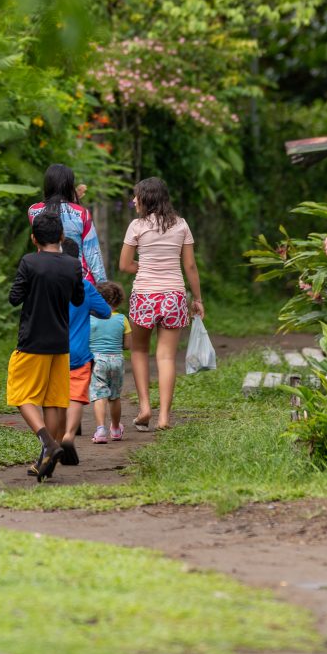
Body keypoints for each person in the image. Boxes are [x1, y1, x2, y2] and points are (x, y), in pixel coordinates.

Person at [119, 177, 204, 431]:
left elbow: (124, 265)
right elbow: (189, 266)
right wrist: (197, 299)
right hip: (174, 296)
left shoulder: (137, 226)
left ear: (147, 198)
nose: (134, 200)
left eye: (137, 196)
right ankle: (164, 417)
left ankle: (145, 408)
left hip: (144, 295)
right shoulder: (181, 225)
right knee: (166, 356)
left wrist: (144, 268)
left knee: (139, 351)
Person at [6, 210, 84, 482]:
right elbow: (77, 299)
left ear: (33, 239)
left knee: (20, 394)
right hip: (60, 344)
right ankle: (45, 459)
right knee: (53, 401)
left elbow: (14, 298)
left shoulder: (29, 262)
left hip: (32, 342)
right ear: (61, 236)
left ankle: (49, 443)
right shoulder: (73, 265)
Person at [59, 237, 112, 464]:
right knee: (75, 397)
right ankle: (69, 435)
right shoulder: (85, 287)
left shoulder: (49, 284)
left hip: (51, 350)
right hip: (79, 353)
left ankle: (56, 436)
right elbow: (106, 312)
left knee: (54, 398)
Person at [28, 163, 106, 283]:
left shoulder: (33, 211)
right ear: (70, 186)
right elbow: (92, 252)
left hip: (46, 277)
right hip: (80, 280)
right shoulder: (82, 213)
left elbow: (56, 208)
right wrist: (103, 284)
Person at [89, 280, 131, 444]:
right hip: (117, 360)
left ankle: (100, 430)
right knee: (114, 396)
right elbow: (128, 345)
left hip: (97, 360)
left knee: (100, 395)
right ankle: (115, 428)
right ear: (118, 299)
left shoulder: (90, 319)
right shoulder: (122, 319)